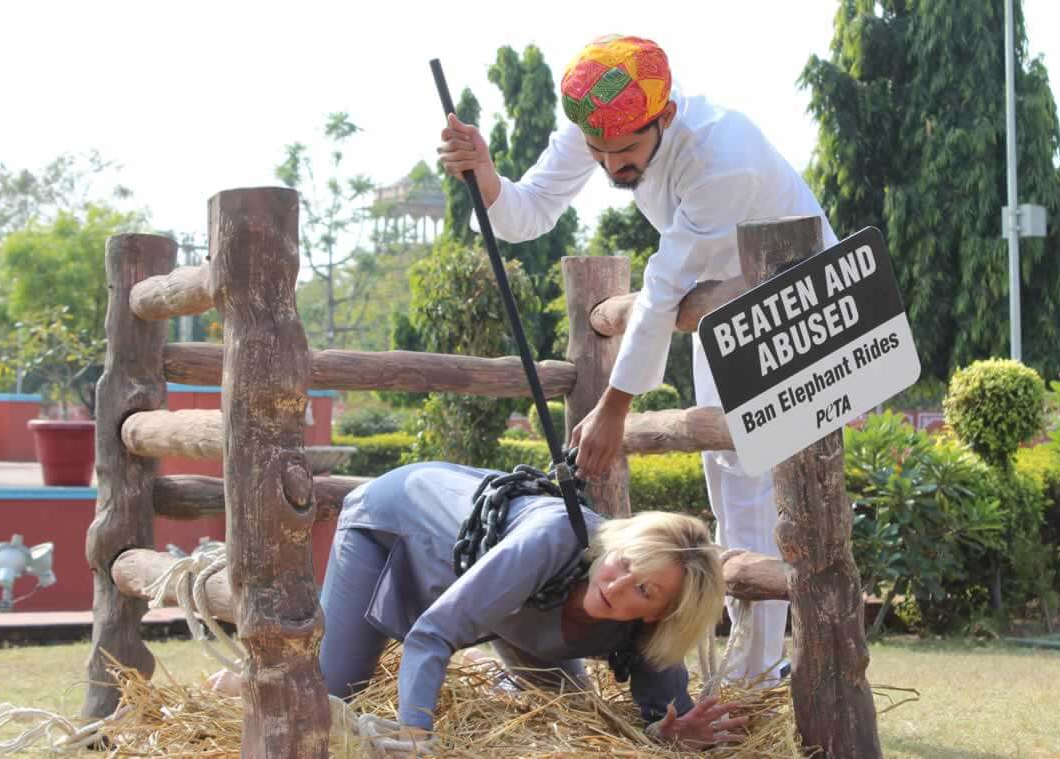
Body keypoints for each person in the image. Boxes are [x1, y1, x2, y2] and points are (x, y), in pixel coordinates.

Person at [438, 34, 838, 684]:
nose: (610, 165)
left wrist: (614, 409)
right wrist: (484, 171)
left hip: (803, 301)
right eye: (598, 152)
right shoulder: (594, 126)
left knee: (778, 491)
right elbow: (528, 211)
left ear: (667, 117)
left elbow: (664, 287)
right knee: (734, 487)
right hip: (726, 309)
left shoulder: (721, 155)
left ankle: (764, 671)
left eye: (625, 152)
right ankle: (756, 670)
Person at [309, 461, 744, 749]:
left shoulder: (651, 633)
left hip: (517, 611)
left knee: (576, 717)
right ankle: (239, 685)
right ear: (617, 545)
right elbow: (432, 633)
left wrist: (669, 735)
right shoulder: (552, 540)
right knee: (327, 700)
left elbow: (666, 722)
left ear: (657, 616)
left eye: (644, 591)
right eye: (624, 562)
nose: (618, 583)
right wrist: (413, 740)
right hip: (391, 523)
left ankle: (484, 673)